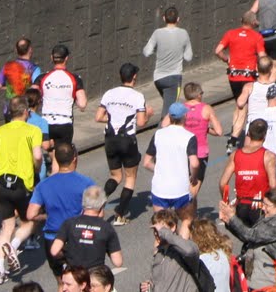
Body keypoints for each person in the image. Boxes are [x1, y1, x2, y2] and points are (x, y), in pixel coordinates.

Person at [0, 97, 46, 286]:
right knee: (29, 221)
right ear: (26, 112)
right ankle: (12, 247)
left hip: (2, 184)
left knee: (6, 226)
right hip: (23, 183)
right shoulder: (33, 130)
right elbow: (38, 155)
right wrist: (37, 166)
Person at [29, 143, 98, 279]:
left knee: (63, 283)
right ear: (74, 159)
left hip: (52, 239)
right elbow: (99, 214)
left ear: (57, 160)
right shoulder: (87, 183)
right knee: (83, 281)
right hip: (78, 237)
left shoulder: (43, 185)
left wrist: (46, 216)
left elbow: (31, 214)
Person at [95, 62, 152, 223]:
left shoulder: (109, 93)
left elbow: (98, 117)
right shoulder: (137, 96)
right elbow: (141, 123)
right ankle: (119, 214)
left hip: (110, 138)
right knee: (130, 177)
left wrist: (114, 119)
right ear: (134, 77)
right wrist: (149, 115)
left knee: (115, 175)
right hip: (127, 140)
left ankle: (98, 205)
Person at [222, 186, 276, 290]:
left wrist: (232, 217)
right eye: (263, 204)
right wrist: (229, 221)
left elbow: (250, 235)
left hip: (270, 285)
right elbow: (248, 237)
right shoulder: (267, 219)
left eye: (267, 205)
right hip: (256, 283)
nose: (262, 208)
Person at [218, 11, 269, 143]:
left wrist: (226, 59)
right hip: (248, 76)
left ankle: (235, 131)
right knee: (245, 106)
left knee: (239, 103)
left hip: (233, 75)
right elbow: (262, 55)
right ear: (253, 23)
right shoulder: (256, 36)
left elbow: (218, 50)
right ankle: (235, 136)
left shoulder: (230, 33)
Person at [49, 183, 121, 274]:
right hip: (95, 275)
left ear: (83, 203)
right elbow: (118, 262)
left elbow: (54, 251)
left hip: (74, 275)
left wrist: (68, 254)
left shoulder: (69, 223)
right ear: (102, 205)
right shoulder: (106, 228)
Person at [144, 103, 202, 214]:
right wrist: (193, 178)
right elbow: (194, 163)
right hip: (181, 188)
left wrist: (160, 170)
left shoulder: (158, 134)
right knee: (186, 221)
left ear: (169, 117)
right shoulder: (189, 137)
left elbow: (146, 162)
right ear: (185, 116)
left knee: (161, 223)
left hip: (160, 188)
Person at [218, 117, 276, 226]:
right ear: (265, 135)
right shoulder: (269, 156)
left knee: (246, 237)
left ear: (248, 133)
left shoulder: (236, 155)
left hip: (241, 206)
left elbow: (223, 183)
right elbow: (273, 186)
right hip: (260, 207)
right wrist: (275, 206)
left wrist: (227, 203)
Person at [142, 7, 194, 115]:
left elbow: (146, 52)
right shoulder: (183, 33)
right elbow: (188, 57)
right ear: (178, 19)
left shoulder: (157, 33)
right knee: (170, 113)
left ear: (164, 18)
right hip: (173, 79)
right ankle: (161, 131)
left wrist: (157, 51)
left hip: (158, 78)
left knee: (169, 106)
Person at [40, 44, 89, 147]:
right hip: (65, 123)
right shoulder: (74, 78)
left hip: (45, 123)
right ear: (66, 58)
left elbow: (33, 97)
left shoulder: (43, 78)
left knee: (51, 153)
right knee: (62, 156)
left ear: (51, 58)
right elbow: (82, 104)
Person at [151, 209, 205, 292]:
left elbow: (190, 251)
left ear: (173, 227)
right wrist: (151, 286)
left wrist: (164, 232)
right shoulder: (159, 254)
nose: (157, 233)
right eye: (155, 230)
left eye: (160, 229)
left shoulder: (184, 249)